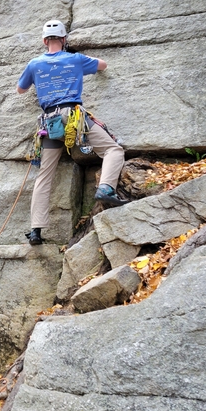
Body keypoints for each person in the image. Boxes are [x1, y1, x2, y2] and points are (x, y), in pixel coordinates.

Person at [17, 20, 128, 245]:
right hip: (75, 119)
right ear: (64, 40)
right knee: (113, 150)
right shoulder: (76, 59)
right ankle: (106, 188)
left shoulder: (34, 64)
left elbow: (21, 89)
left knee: (44, 176)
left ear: (44, 41)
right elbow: (103, 65)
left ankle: (36, 230)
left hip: (50, 125)